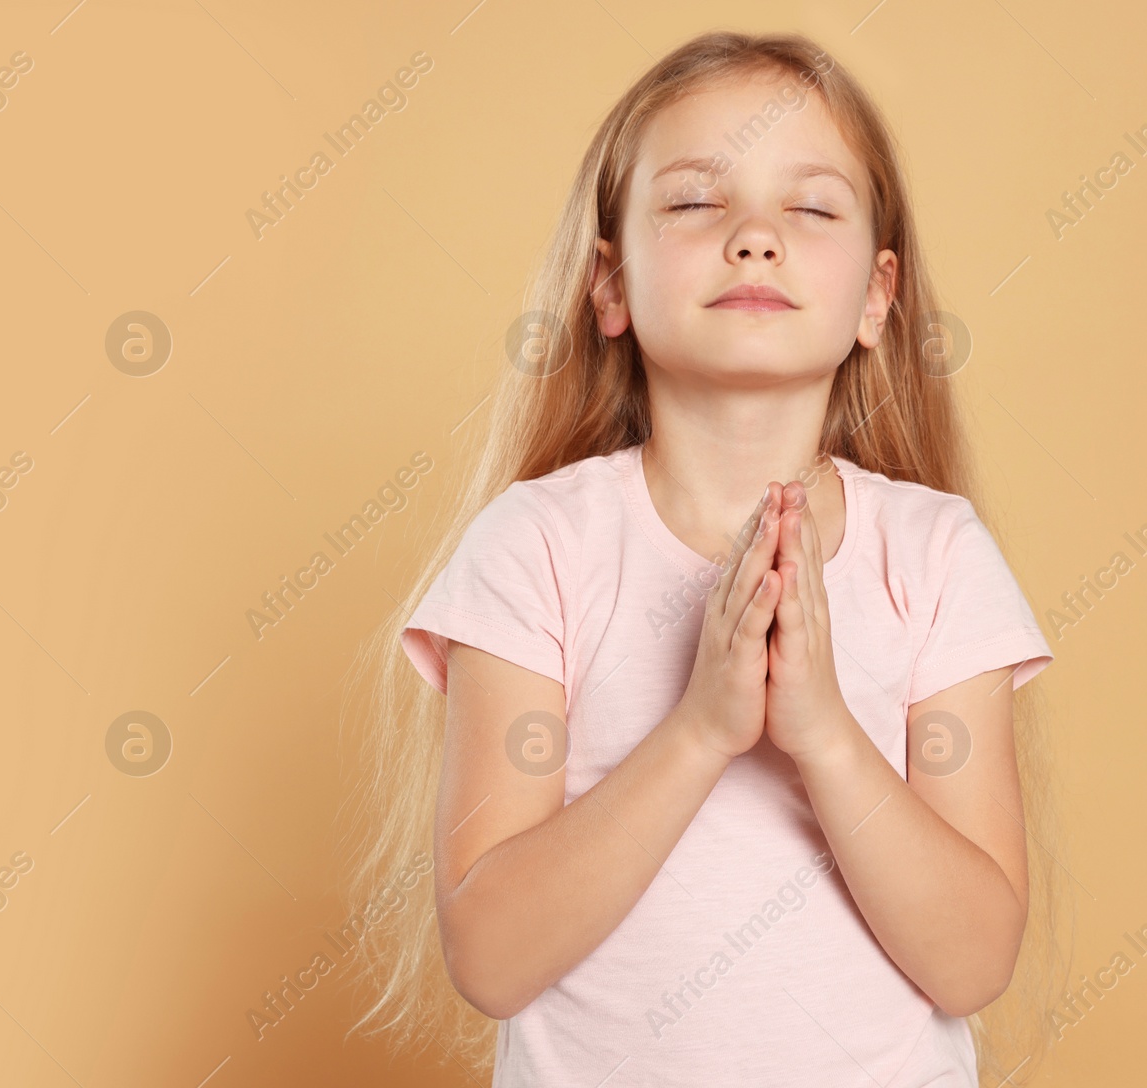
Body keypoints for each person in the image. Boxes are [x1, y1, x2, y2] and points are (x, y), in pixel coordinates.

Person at [347, 29, 1056, 1087]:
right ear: (611, 284)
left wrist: (819, 732)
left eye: (810, 208)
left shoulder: (936, 555)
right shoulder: (535, 546)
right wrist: (700, 730)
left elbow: (972, 958)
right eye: (692, 203)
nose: (755, 238)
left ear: (876, 294)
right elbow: (490, 955)